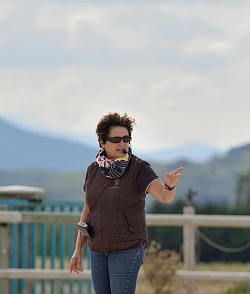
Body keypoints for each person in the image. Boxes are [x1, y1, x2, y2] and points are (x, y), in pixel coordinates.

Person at [69, 112, 184, 294]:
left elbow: (164, 197)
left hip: (127, 248)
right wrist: (78, 249)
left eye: (126, 139)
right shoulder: (93, 170)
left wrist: (169, 186)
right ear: (102, 141)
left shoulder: (139, 168)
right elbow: (87, 210)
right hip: (97, 249)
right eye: (116, 139)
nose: (123, 144)